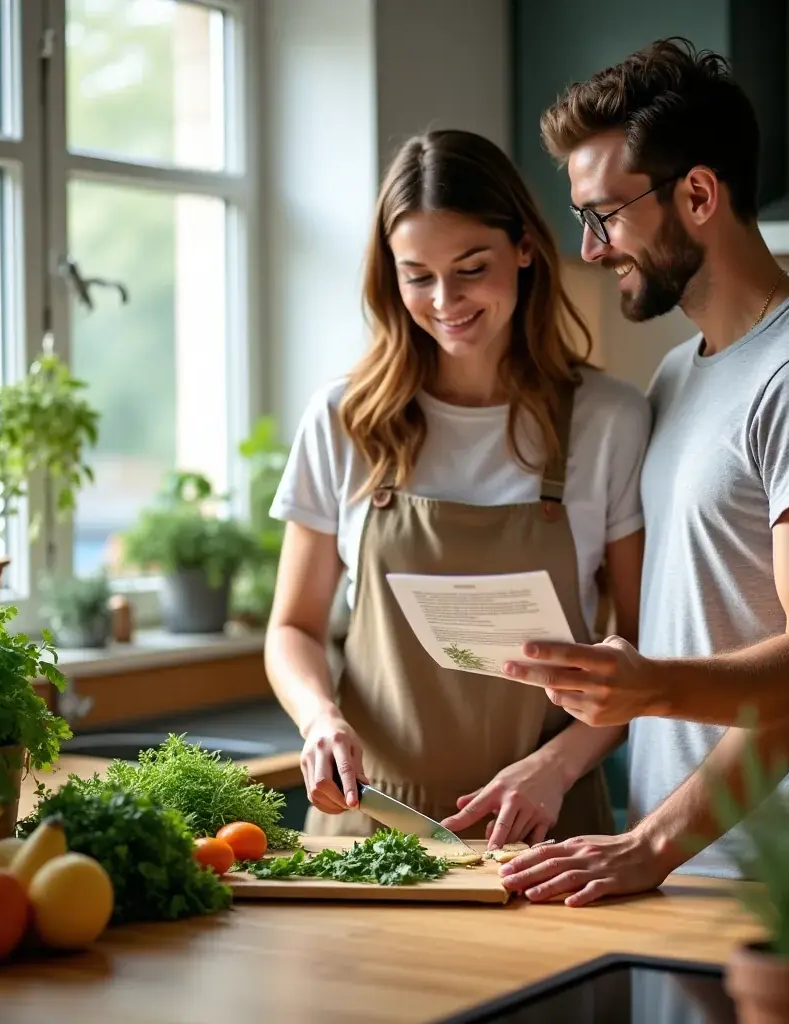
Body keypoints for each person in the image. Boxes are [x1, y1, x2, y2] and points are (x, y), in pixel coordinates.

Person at [497, 38, 789, 904]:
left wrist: (648, 840)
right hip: (678, 870)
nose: (592, 247)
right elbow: (696, 626)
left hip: (781, 890)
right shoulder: (682, 372)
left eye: (603, 214)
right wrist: (560, 764)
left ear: (698, 194)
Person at [264, 129, 651, 848]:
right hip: (365, 826)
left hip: (546, 829)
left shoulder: (609, 421)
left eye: (472, 268)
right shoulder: (344, 420)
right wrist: (320, 718)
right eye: (417, 275)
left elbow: (642, 648)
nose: (446, 300)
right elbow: (292, 627)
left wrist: (557, 767)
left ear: (525, 249)